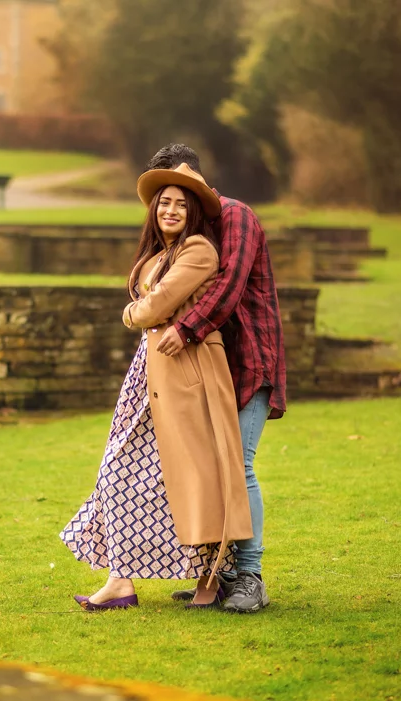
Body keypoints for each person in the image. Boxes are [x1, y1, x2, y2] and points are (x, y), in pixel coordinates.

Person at [60, 164, 253, 611]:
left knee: (197, 474)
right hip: (150, 373)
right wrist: (142, 308)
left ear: (193, 214)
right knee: (119, 471)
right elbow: (151, 301)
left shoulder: (200, 251)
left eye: (180, 205)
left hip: (190, 372)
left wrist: (131, 313)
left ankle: (210, 579)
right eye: (164, 202)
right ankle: (120, 580)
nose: (170, 210)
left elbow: (154, 308)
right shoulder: (157, 255)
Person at [148, 144, 286, 614]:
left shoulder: (236, 216)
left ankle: (251, 576)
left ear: (196, 179)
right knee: (211, 469)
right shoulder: (192, 233)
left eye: (180, 190)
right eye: (164, 196)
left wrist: (184, 329)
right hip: (212, 368)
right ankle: (218, 575)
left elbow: (228, 289)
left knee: (239, 466)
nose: (172, 203)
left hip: (251, 359)